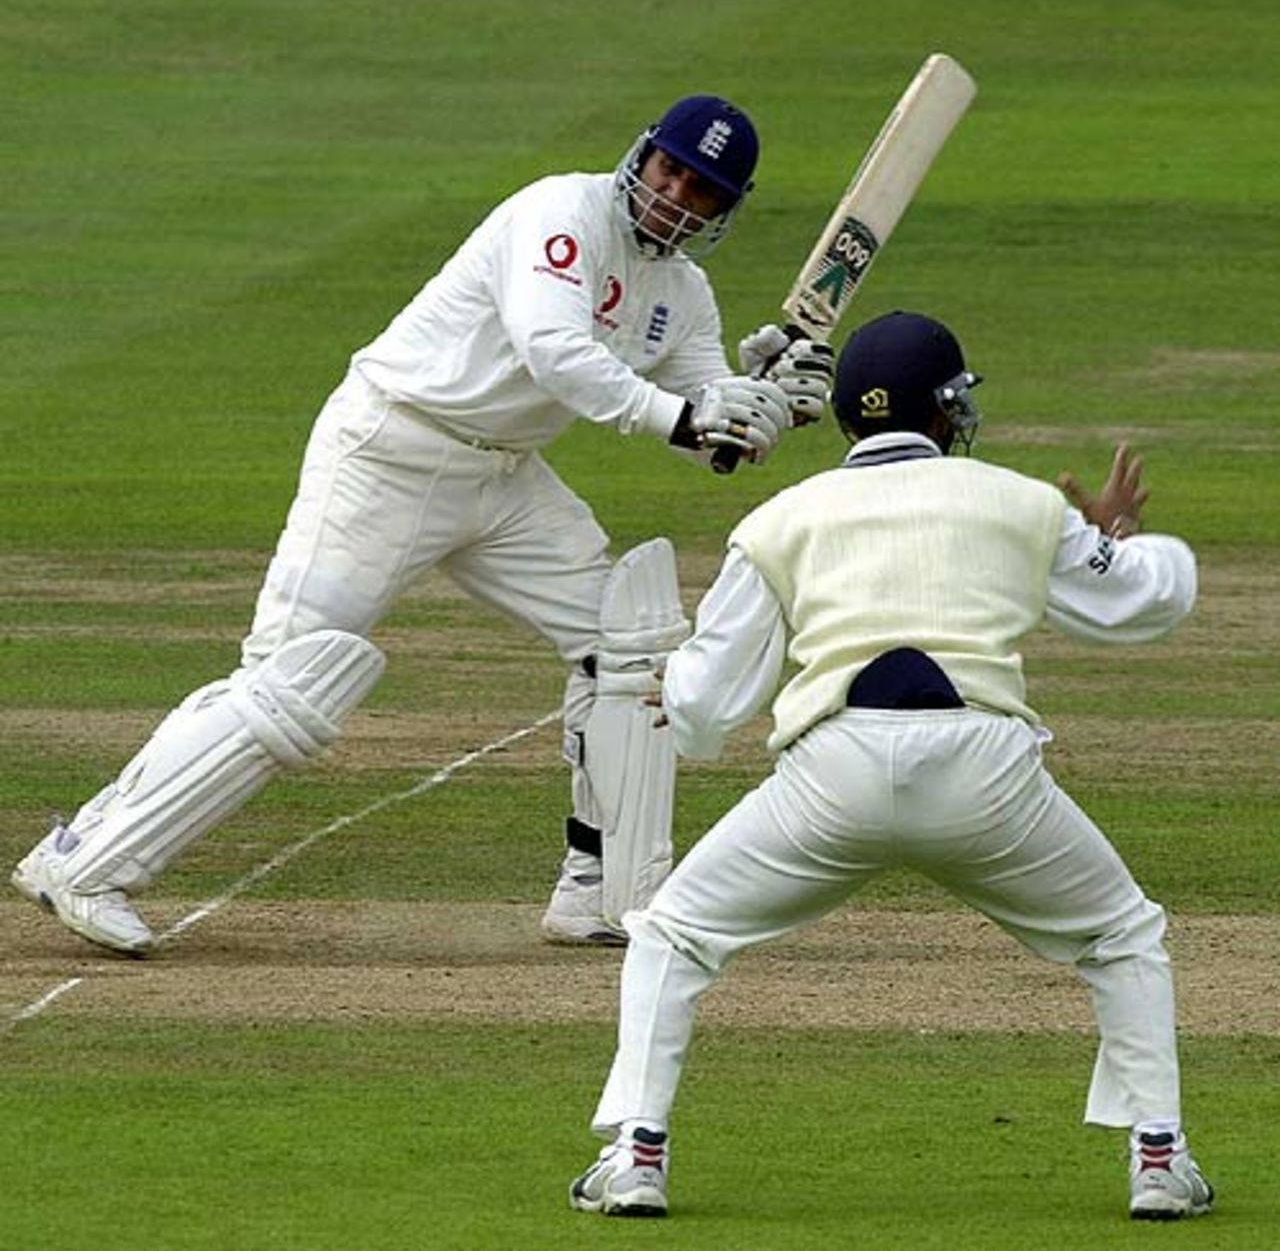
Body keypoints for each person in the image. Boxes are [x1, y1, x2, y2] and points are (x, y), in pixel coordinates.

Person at [11, 95, 835, 956]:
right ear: (643, 156)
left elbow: (712, 435)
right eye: (671, 170)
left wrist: (768, 399)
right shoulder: (560, 213)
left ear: (721, 210)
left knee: (626, 640)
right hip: (391, 452)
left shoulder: (684, 292)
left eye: (701, 191)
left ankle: (600, 890)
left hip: (504, 478)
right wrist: (684, 416)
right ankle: (86, 861)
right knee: (294, 679)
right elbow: (555, 351)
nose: (676, 196)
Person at [569, 310, 1214, 1222]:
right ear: (947, 410)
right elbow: (1147, 603)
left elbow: (709, 706)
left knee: (672, 935)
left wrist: (676, 691)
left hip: (833, 775)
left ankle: (635, 1155)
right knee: (1123, 936)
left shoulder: (778, 519)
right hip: (986, 773)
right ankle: (1158, 1159)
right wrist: (1122, 544)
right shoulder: (1019, 501)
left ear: (846, 420)